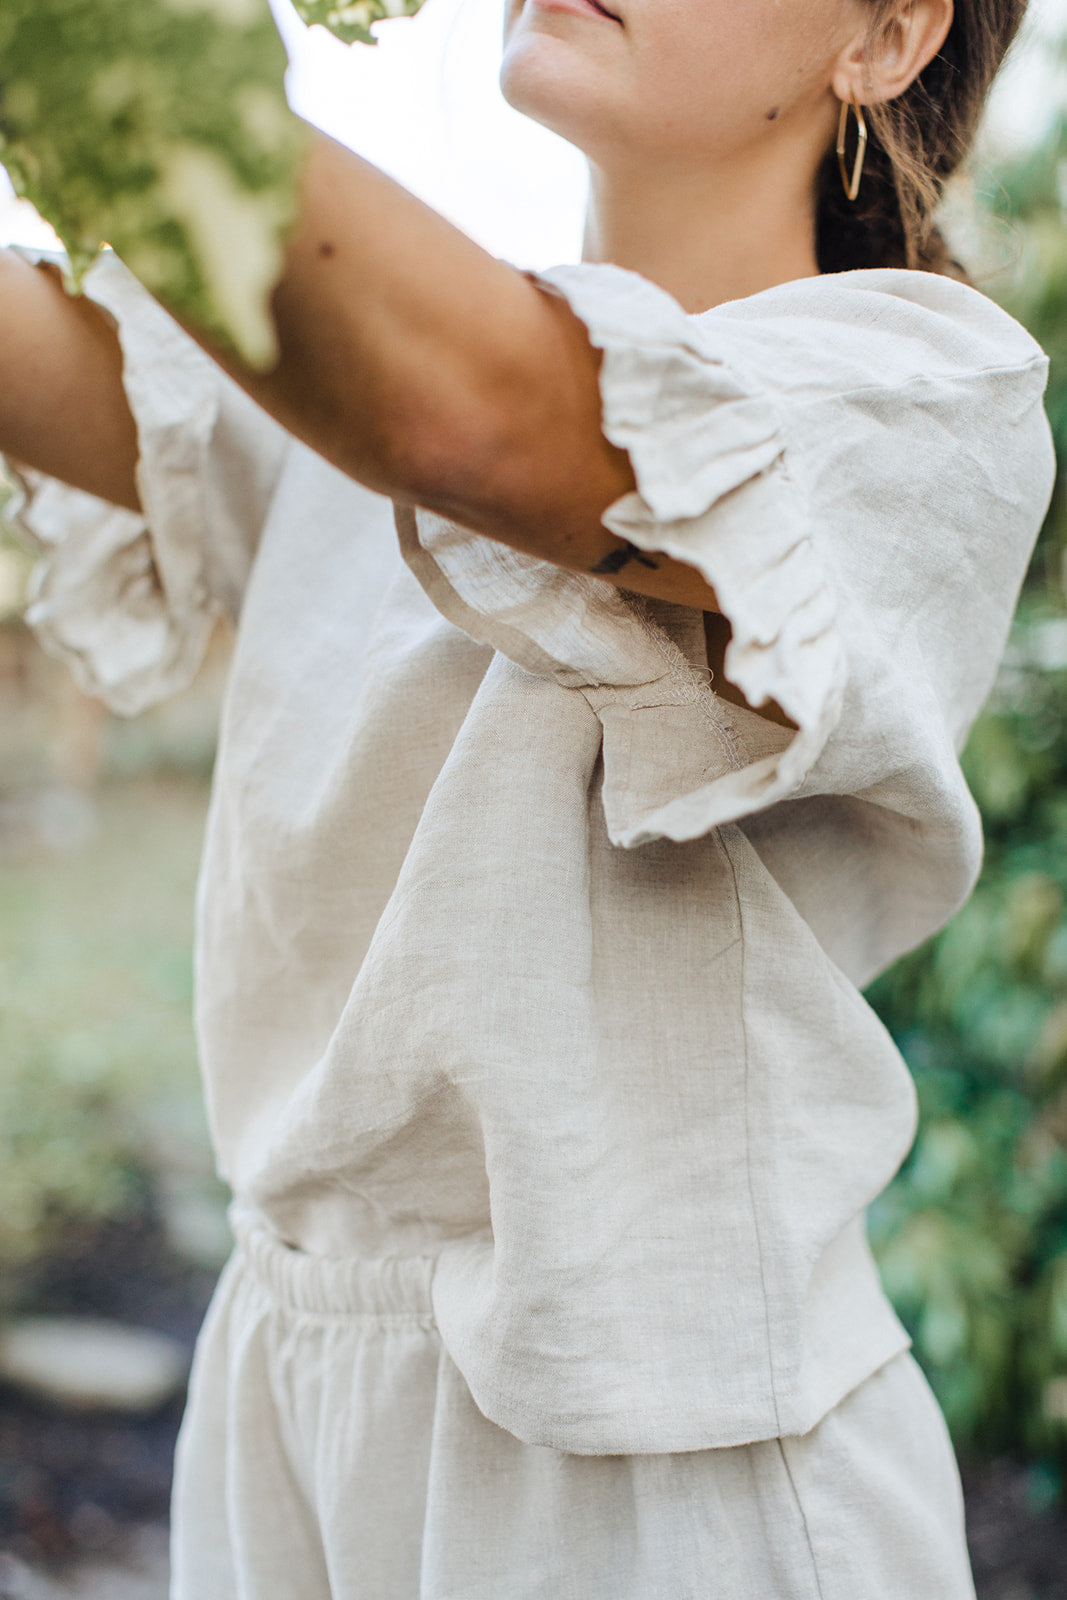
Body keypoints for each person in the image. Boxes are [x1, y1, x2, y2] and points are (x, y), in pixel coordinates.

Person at [0, 0, 1056, 1593]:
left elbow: (474, 418)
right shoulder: (370, 351)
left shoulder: (911, 392)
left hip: (658, 1476)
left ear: (890, 36)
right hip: (292, 1400)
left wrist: (90, 44)